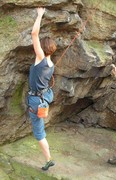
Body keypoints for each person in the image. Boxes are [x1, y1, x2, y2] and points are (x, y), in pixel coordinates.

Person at [27, 7, 57, 171]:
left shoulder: (40, 59)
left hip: (36, 100)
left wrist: (40, 15)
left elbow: (34, 35)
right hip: (44, 97)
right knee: (38, 126)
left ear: (42, 49)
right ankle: (48, 158)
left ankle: (49, 159)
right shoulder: (51, 64)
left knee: (39, 133)